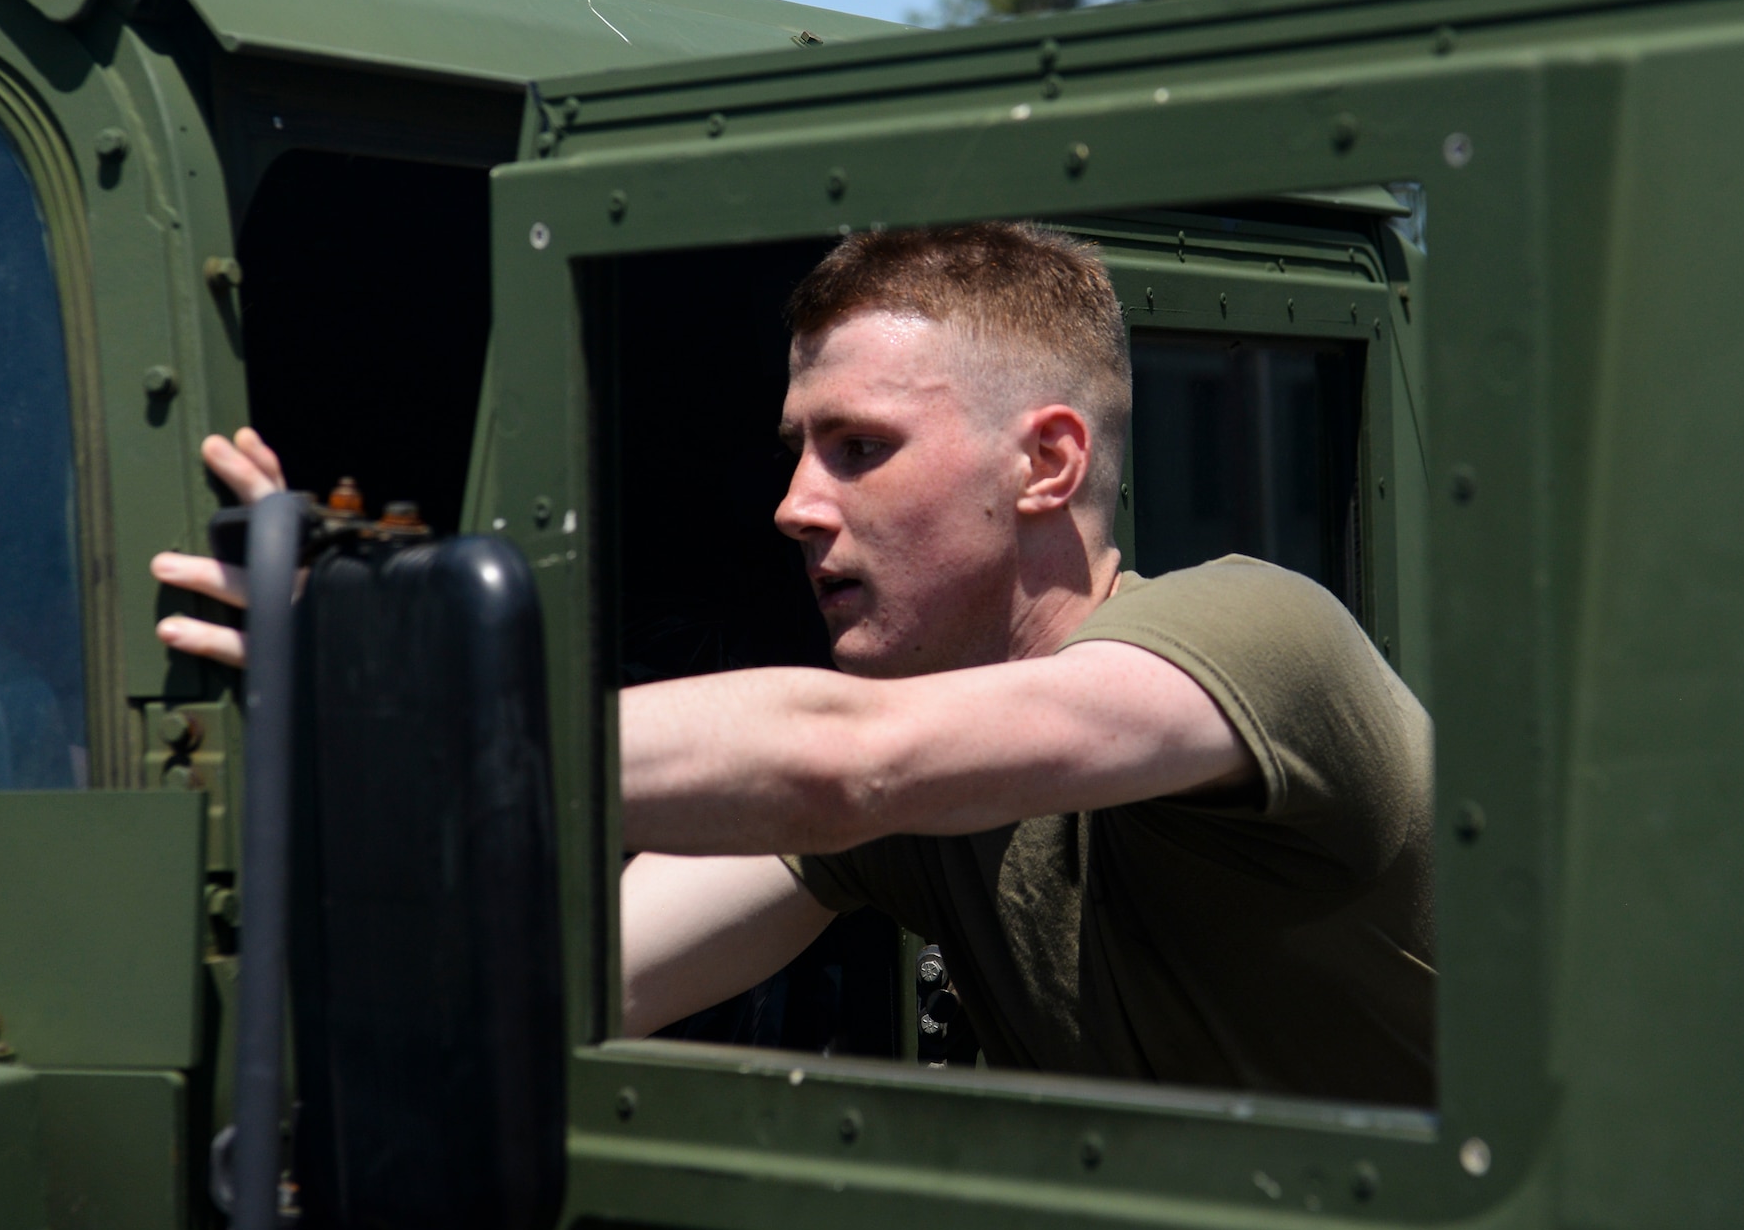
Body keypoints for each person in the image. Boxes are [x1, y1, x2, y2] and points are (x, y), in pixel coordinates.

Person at [153, 222, 1435, 1106]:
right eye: (794, 449)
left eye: (857, 448)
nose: (792, 503)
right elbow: (543, 989)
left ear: (1043, 463)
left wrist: (393, 676)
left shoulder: (1261, 640)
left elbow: (841, 761)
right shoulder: (917, 803)